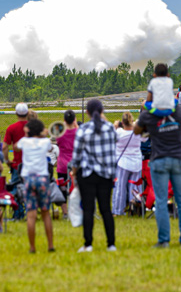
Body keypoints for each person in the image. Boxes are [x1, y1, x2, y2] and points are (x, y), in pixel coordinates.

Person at [134, 94, 181, 248]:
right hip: (178, 157)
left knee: (161, 200)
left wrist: (147, 106)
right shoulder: (179, 110)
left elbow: (137, 130)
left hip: (159, 157)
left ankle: (163, 240)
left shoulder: (149, 114)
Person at [71, 99, 117, 252]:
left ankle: (88, 244)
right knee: (106, 209)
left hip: (88, 174)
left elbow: (76, 156)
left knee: (88, 209)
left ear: (87, 113)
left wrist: (74, 172)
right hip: (106, 174)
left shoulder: (83, 130)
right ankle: (111, 244)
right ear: (102, 111)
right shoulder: (110, 128)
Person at [15, 119, 55, 253]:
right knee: (45, 213)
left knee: (31, 215)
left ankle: (32, 247)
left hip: (29, 178)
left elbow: (15, 146)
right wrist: (43, 135)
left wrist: (27, 135)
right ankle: (50, 245)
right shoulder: (45, 142)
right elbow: (50, 147)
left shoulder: (24, 141)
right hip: (43, 178)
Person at [112, 112, 144, 216]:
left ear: (122, 122)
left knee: (120, 188)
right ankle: (134, 207)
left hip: (123, 163)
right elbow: (146, 137)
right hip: (136, 162)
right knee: (135, 188)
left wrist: (115, 126)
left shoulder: (119, 132)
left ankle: (118, 210)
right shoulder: (137, 133)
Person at [56, 110, 78, 218]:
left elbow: (58, 141)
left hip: (62, 164)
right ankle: (76, 209)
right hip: (75, 164)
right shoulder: (78, 132)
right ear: (74, 120)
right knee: (76, 187)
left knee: (62, 188)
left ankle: (65, 212)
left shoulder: (60, 133)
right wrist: (76, 125)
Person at [3, 103, 29, 184]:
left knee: (15, 189)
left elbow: (4, 147)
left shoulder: (11, 128)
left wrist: (7, 160)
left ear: (16, 113)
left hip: (17, 165)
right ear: (27, 113)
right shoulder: (33, 127)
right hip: (32, 165)